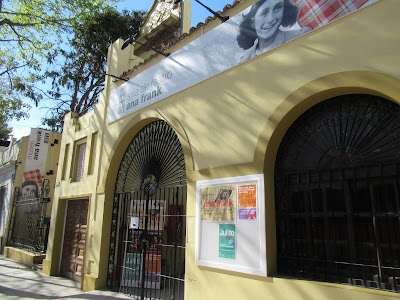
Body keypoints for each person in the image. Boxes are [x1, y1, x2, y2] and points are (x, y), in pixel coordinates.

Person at [237, 0, 311, 63]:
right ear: (252, 21)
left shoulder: (302, 36)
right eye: (264, 13)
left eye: (277, 8)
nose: (271, 19)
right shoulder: (244, 61)